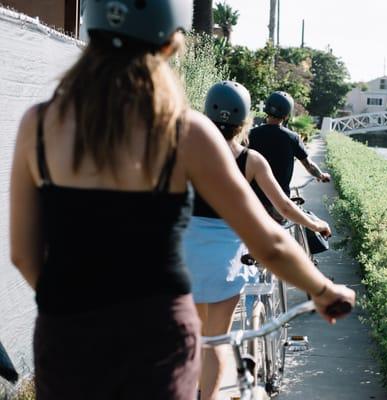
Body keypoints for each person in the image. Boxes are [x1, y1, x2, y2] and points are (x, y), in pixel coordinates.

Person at [9, 1, 355, 399]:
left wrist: (73, 309)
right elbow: (269, 243)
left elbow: (23, 254)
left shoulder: (38, 124)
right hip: (156, 334)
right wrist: (324, 291)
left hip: (65, 334)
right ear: (172, 46)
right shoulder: (185, 130)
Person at [184, 81, 332, 400]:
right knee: (217, 339)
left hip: (187, 257)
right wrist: (315, 223)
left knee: (194, 337)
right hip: (227, 260)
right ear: (245, 121)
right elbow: (284, 205)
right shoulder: (251, 160)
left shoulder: (185, 152)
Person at [249, 92, 330, 218]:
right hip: (279, 203)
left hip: (252, 201)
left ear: (266, 109)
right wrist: (321, 175)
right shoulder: (293, 138)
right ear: (286, 115)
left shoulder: (251, 134)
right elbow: (309, 165)